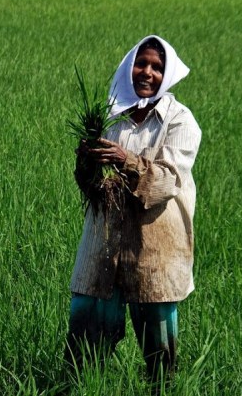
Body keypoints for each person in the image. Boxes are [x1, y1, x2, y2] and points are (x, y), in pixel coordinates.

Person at [64, 35, 202, 384]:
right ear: (129, 68)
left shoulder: (180, 121)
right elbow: (90, 186)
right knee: (85, 339)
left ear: (167, 74)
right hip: (105, 244)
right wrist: (88, 165)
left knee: (159, 351)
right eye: (142, 64)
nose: (147, 72)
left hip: (156, 245)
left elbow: (166, 182)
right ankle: (79, 388)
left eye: (157, 67)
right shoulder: (109, 117)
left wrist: (126, 160)